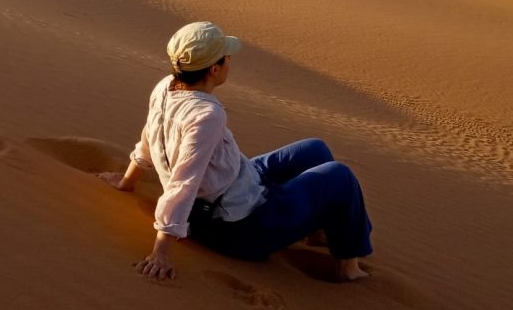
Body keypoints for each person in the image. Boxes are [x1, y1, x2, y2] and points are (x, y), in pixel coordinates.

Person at [98, 21, 372, 283]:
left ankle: (317, 232)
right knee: (341, 177)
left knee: (315, 149)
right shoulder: (206, 115)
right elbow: (184, 182)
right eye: (226, 56)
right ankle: (348, 268)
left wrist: (126, 182)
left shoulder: (166, 86)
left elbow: (150, 136)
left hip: (235, 183)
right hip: (238, 228)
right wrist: (161, 253)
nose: (230, 60)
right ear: (214, 70)